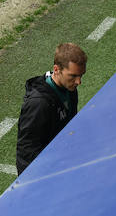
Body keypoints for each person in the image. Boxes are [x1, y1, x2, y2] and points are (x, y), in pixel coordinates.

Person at [15, 43, 86, 174]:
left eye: (81, 75)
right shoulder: (39, 103)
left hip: (60, 163)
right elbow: (27, 150)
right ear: (57, 69)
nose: (78, 82)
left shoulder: (69, 88)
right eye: (73, 76)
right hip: (43, 173)